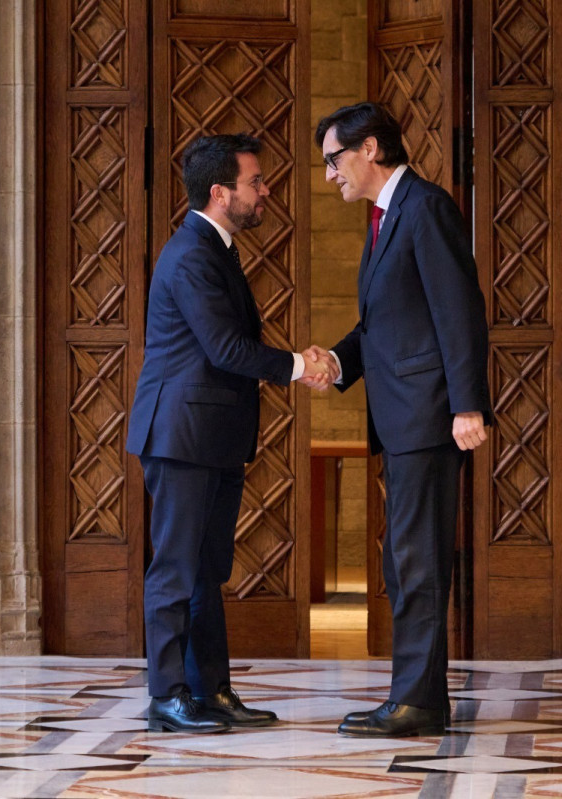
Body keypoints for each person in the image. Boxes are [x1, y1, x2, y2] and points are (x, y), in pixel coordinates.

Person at [126, 133, 333, 733]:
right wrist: (299, 365)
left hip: (209, 437)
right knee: (174, 570)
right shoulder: (191, 252)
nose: (265, 190)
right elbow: (223, 347)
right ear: (221, 193)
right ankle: (167, 695)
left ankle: (211, 689)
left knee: (205, 570)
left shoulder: (216, 247)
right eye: (255, 182)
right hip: (182, 436)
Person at [310, 102, 492, 738]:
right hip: (400, 418)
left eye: (334, 159)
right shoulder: (385, 218)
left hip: (426, 417)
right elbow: (381, 325)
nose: (330, 173)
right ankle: (421, 697)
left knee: (416, 560)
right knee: (405, 560)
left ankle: (415, 702)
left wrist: (468, 405)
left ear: (368, 149)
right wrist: (337, 362)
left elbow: (459, 311)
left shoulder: (425, 206)